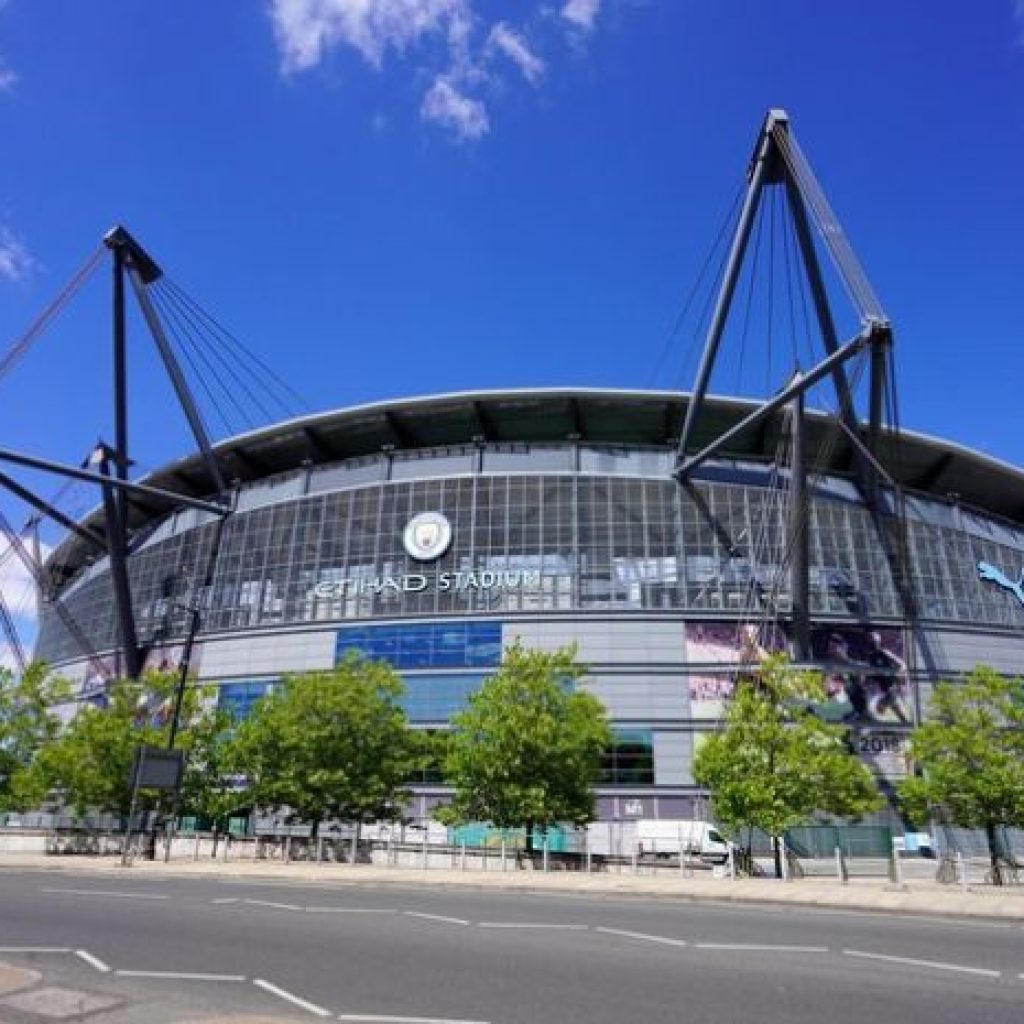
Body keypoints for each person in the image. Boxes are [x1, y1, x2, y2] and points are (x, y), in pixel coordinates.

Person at [865, 630, 910, 724]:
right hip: (884, 688)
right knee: (896, 709)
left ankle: (904, 723)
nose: (873, 644)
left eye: (875, 641)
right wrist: (868, 679)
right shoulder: (870, 657)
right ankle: (905, 723)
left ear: (879, 642)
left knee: (885, 705)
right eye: (872, 641)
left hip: (892, 686)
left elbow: (902, 664)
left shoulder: (885, 653)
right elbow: (870, 673)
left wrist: (900, 674)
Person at [827, 633, 869, 721]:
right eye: (831, 649)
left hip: (854, 703)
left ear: (844, 648)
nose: (832, 652)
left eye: (834, 648)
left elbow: (864, 671)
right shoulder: (828, 668)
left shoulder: (854, 665)